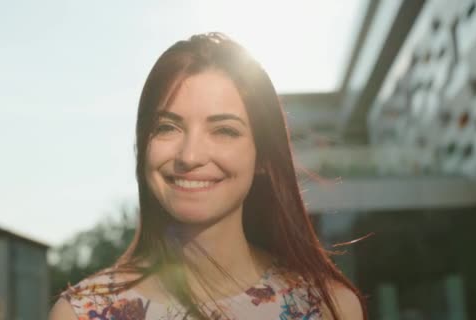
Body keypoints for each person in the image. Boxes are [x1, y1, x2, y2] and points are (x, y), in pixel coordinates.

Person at [50, 32, 364, 320]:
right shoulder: (79, 314)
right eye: (167, 127)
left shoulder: (328, 308)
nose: (190, 156)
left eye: (224, 131)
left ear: (264, 156)